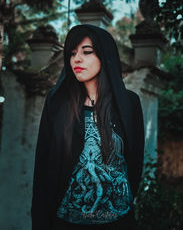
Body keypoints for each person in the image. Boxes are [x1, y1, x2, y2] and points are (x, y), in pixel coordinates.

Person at [31, 24, 145, 230]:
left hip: (118, 221)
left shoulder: (129, 103)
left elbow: (135, 162)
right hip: (66, 222)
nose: (77, 59)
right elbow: (42, 169)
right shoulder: (57, 105)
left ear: (105, 55)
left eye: (87, 52)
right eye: (72, 53)